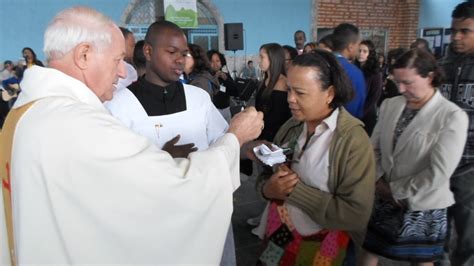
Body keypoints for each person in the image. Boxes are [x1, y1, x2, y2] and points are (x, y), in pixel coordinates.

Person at [0, 6, 264, 265]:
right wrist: (234, 137)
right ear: (83, 55)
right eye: (117, 60)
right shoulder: (78, 124)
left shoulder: (29, 112)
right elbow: (174, 185)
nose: (122, 72)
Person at [253, 51, 375, 265]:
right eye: (289, 89)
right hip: (278, 235)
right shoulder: (291, 127)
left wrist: (293, 191)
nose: (290, 99)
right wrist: (267, 189)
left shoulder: (352, 140)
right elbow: (267, 176)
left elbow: (355, 215)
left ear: (329, 93)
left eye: (300, 93)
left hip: (323, 246)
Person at [359, 49, 468, 266]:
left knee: (420, 260)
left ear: (429, 77)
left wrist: (395, 190)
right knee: (368, 250)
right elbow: (374, 148)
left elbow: (438, 172)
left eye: (407, 82)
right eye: (397, 81)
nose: (400, 89)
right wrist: (378, 180)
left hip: (423, 203)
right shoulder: (392, 104)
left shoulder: (451, 116)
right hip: (383, 194)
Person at [439, 1, 474, 265]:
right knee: (437, 229)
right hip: (440, 161)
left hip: (470, 166)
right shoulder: (444, 64)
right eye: (453, 31)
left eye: (465, 31)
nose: (456, 37)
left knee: (468, 234)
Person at [332, 23, 367, 119]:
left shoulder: (317, 64)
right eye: (358, 44)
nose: (358, 48)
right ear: (350, 46)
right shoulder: (354, 73)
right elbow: (354, 111)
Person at [355, 40, 383, 135]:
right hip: (353, 110)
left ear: (370, 54)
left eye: (364, 51)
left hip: (367, 112)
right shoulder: (353, 68)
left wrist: (362, 112)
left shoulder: (375, 72)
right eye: (359, 51)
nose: (361, 54)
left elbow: (375, 96)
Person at [207, 50, 240, 121]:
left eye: (217, 61)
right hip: (212, 112)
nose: (215, 64)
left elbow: (235, 92)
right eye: (212, 61)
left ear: (221, 62)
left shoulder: (225, 75)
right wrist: (215, 78)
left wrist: (226, 80)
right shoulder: (206, 76)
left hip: (226, 110)